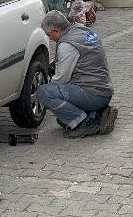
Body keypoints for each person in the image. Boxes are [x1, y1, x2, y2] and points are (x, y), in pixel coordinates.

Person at [38, 10, 118, 138]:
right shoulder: (81, 29)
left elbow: (61, 79)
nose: (49, 38)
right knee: (63, 119)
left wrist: (51, 83)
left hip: (93, 93)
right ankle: (98, 114)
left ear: (56, 31)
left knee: (45, 92)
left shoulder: (66, 45)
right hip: (104, 90)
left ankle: (86, 124)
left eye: (48, 35)